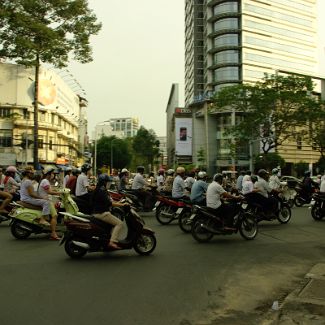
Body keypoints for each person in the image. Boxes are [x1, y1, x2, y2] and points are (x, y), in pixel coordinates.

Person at [20, 166, 60, 239]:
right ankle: (43, 220)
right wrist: (43, 198)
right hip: (28, 199)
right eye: (32, 173)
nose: (33, 175)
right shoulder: (29, 182)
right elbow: (32, 194)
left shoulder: (25, 180)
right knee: (48, 205)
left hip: (25, 198)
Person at [91, 174, 128, 249]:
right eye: (108, 182)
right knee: (119, 224)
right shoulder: (101, 190)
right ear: (104, 182)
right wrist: (122, 205)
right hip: (102, 213)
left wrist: (119, 203)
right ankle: (112, 241)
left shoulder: (101, 189)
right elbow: (109, 203)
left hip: (99, 212)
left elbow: (109, 200)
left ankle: (108, 239)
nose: (109, 183)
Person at [38, 167, 61, 239]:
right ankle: (53, 233)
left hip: (47, 200)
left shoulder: (46, 181)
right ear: (48, 174)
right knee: (55, 215)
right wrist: (59, 193)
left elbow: (50, 189)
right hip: (46, 201)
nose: (53, 175)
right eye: (52, 173)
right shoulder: (45, 181)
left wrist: (57, 190)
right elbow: (49, 192)